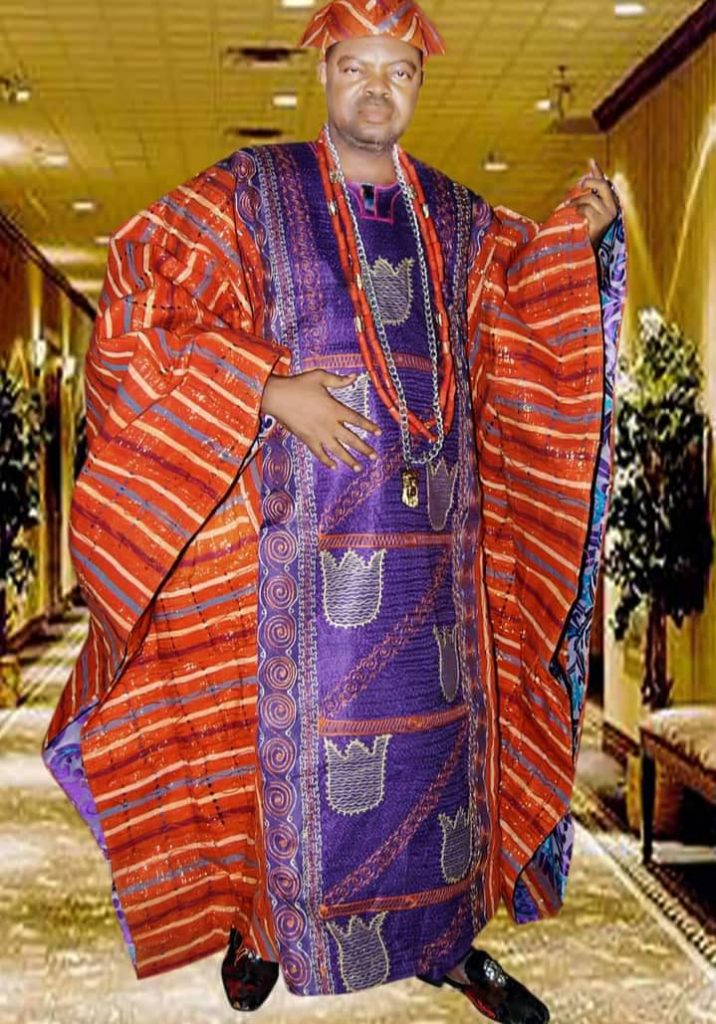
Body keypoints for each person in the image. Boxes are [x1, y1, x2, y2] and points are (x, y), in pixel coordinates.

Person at [41, 1, 627, 1020]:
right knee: (292, 763)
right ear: (323, 71)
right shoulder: (251, 193)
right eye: (356, 67)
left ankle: (447, 943)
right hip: (294, 561)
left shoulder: (455, 218)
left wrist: (579, 232)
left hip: (437, 572)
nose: (375, 89)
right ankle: (265, 929)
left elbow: (518, 299)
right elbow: (143, 298)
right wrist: (270, 389)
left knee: (438, 771)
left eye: (397, 70)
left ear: (418, 83)